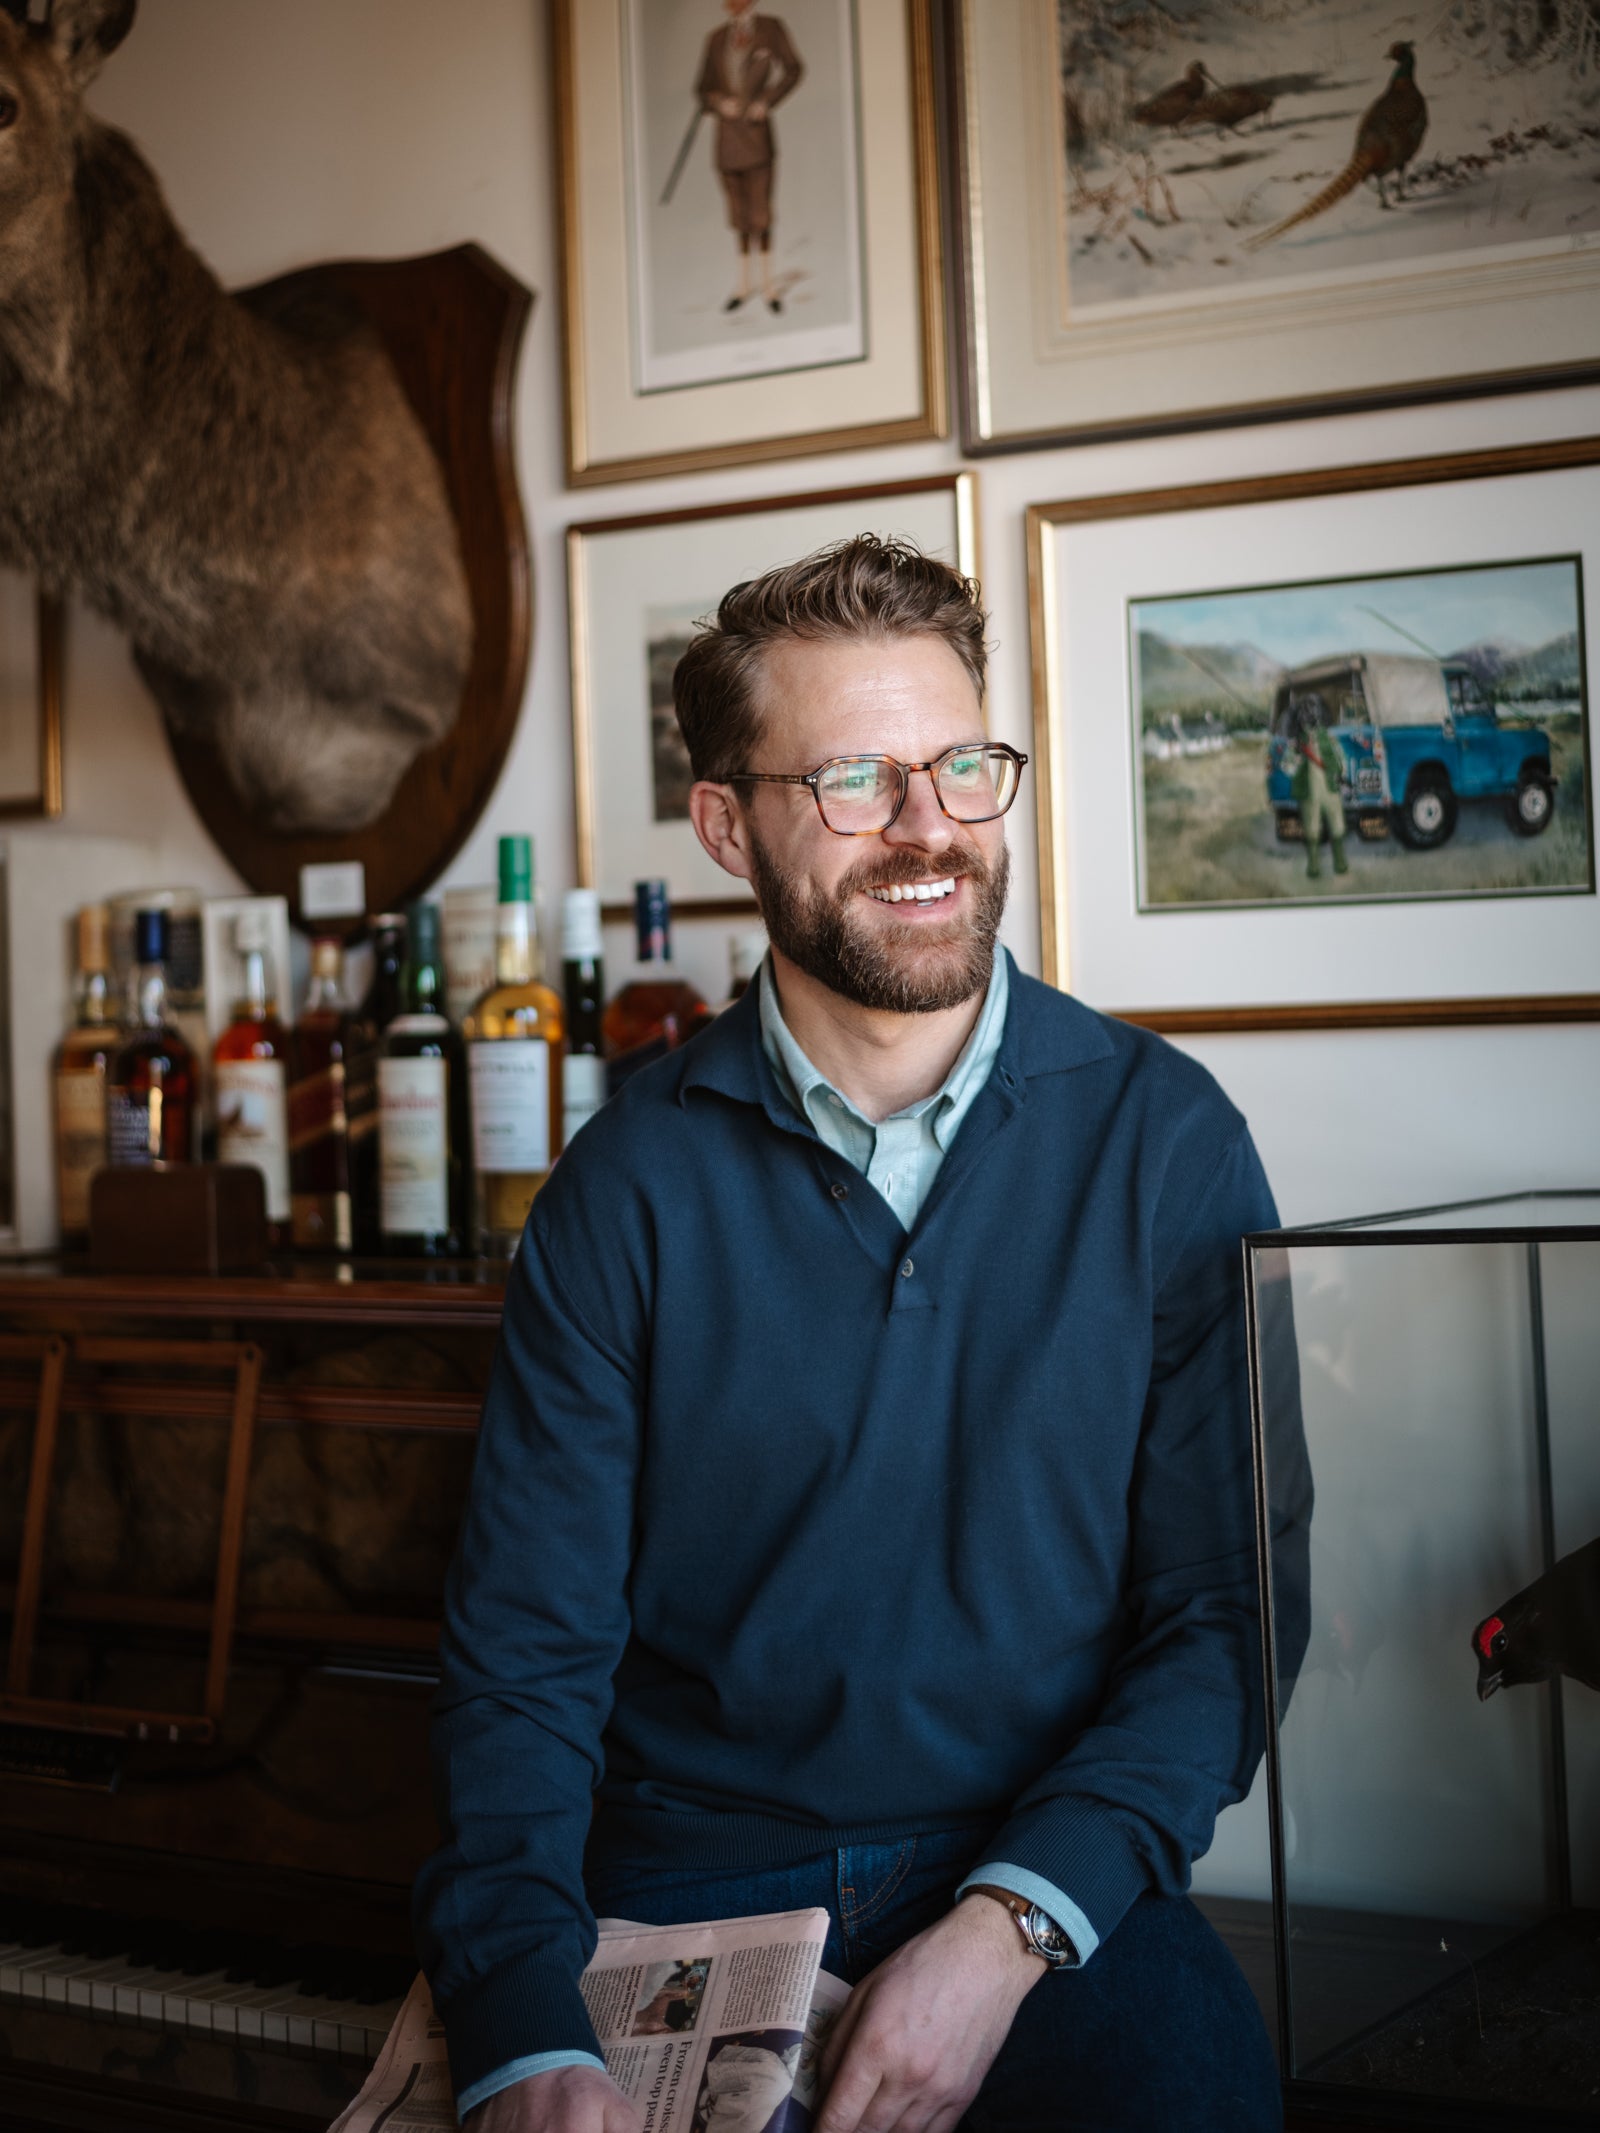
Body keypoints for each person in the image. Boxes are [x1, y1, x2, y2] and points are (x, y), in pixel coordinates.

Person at [415, 537, 1288, 2131]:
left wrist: (1012, 1922)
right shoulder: (623, 1188)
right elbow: (526, 1660)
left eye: (963, 767)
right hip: (689, 1879)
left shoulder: (1169, 1143)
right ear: (728, 824)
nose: (928, 830)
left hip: (1037, 1859)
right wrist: (521, 2019)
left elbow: (1227, 1620)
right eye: (855, 780)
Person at [694, 0, 803, 315]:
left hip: (756, 136)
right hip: (727, 141)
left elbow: (793, 69)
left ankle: (768, 286)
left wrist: (766, 102)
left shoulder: (771, 29)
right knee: (739, 215)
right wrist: (718, 102)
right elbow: (703, 89)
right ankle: (743, 286)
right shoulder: (715, 39)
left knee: (761, 213)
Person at [1290, 694, 1349, 880]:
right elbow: (1289, 767)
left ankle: (1340, 863)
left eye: (1313, 711)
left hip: (1330, 789)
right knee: (1311, 831)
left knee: (1337, 827)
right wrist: (1297, 755)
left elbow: (1342, 761)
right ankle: (1314, 866)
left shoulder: (1329, 739)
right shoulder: (1297, 743)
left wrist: (1340, 774)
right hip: (1308, 793)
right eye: (1306, 711)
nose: (1310, 715)